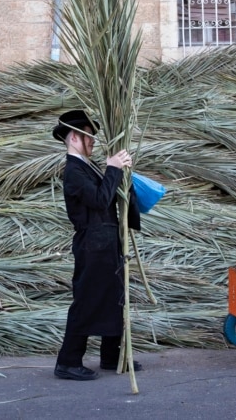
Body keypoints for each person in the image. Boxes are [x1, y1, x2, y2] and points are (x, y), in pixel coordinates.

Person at [52, 109, 141, 381]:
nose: (93, 141)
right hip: (92, 246)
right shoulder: (74, 172)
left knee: (113, 299)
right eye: (90, 136)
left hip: (105, 244)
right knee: (87, 302)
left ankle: (110, 356)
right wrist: (112, 167)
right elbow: (101, 200)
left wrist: (121, 177)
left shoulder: (86, 167)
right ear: (76, 137)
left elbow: (109, 197)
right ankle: (67, 362)